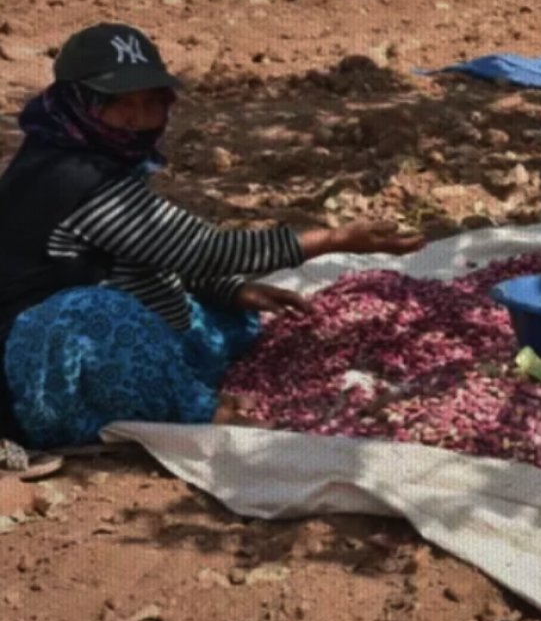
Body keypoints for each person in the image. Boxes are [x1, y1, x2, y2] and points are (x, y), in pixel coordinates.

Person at [0, 23, 426, 453]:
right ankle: (196, 411)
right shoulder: (73, 177)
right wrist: (334, 239)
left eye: (151, 103)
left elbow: (140, 254)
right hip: (32, 372)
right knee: (95, 314)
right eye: (118, 104)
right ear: (77, 103)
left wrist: (228, 289)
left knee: (227, 318)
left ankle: (174, 383)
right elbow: (204, 250)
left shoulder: (84, 157)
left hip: (93, 321)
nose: (139, 119)